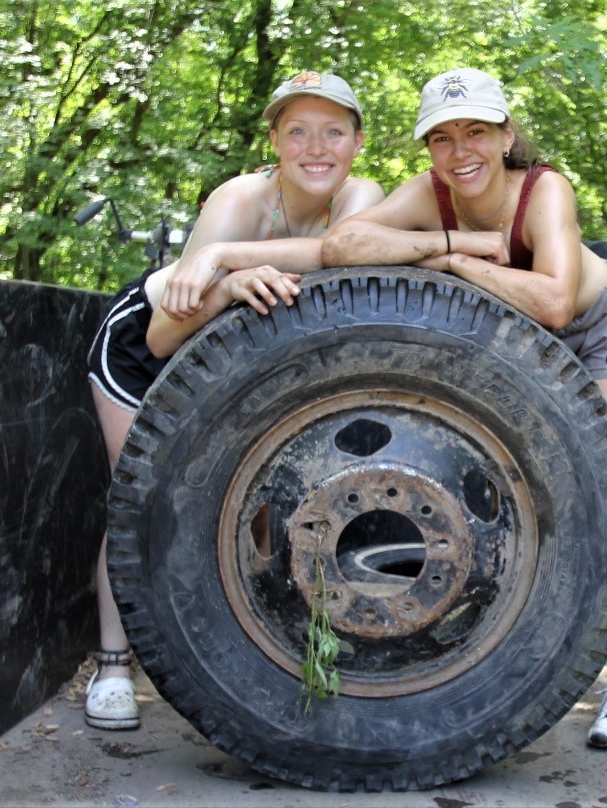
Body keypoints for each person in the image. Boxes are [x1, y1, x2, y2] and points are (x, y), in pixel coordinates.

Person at [321, 67, 607, 748]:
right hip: (512, 338)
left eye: (475, 130)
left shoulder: (544, 190)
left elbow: (556, 302)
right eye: (441, 138)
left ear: (506, 134)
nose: (460, 150)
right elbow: (341, 246)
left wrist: (459, 269)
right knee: (525, 498)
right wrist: (449, 244)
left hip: (597, 333)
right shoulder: (433, 196)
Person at [84, 71, 384, 730]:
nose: (317, 147)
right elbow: (165, 336)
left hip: (244, 361)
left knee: (246, 511)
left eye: (334, 131)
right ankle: (112, 665)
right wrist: (224, 285)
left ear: (358, 142)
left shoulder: (362, 196)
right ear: (273, 140)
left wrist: (232, 261)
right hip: (148, 350)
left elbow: (340, 256)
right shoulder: (238, 200)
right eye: (298, 131)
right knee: (139, 504)